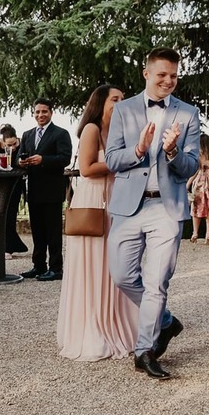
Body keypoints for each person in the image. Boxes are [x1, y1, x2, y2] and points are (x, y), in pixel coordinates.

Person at [105, 47, 200, 379]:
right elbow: (112, 159)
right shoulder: (124, 110)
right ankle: (165, 322)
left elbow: (191, 167)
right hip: (128, 207)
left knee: (157, 281)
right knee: (122, 276)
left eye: (174, 75)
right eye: (162, 75)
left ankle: (144, 350)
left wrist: (172, 151)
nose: (169, 81)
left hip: (167, 207)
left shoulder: (189, 114)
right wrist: (139, 149)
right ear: (146, 74)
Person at [57, 85, 138, 361]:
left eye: (123, 99)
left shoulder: (120, 132)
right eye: (115, 99)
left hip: (115, 200)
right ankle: (92, 327)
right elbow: (87, 168)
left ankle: (117, 324)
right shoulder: (91, 129)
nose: (120, 103)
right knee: (93, 267)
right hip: (93, 201)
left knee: (115, 266)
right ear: (100, 103)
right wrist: (124, 161)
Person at [18, 99, 73, 282]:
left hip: (52, 191)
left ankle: (56, 268)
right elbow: (19, 155)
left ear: (51, 112)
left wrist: (44, 160)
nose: (40, 115)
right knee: (38, 232)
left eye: (44, 112)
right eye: (37, 112)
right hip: (33, 190)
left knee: (53, 233)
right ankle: (39, 265)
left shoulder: (61, 133)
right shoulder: (27, 134)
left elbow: (64, 158)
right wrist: (20, 161)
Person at [0, 124, 27, 256]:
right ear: (3, 141)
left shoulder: (23, 142)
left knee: (11, 213)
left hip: (15, 182)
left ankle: (9, 246)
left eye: (14, 144)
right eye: (9, 145)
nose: (13, 147)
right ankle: (0, 246)